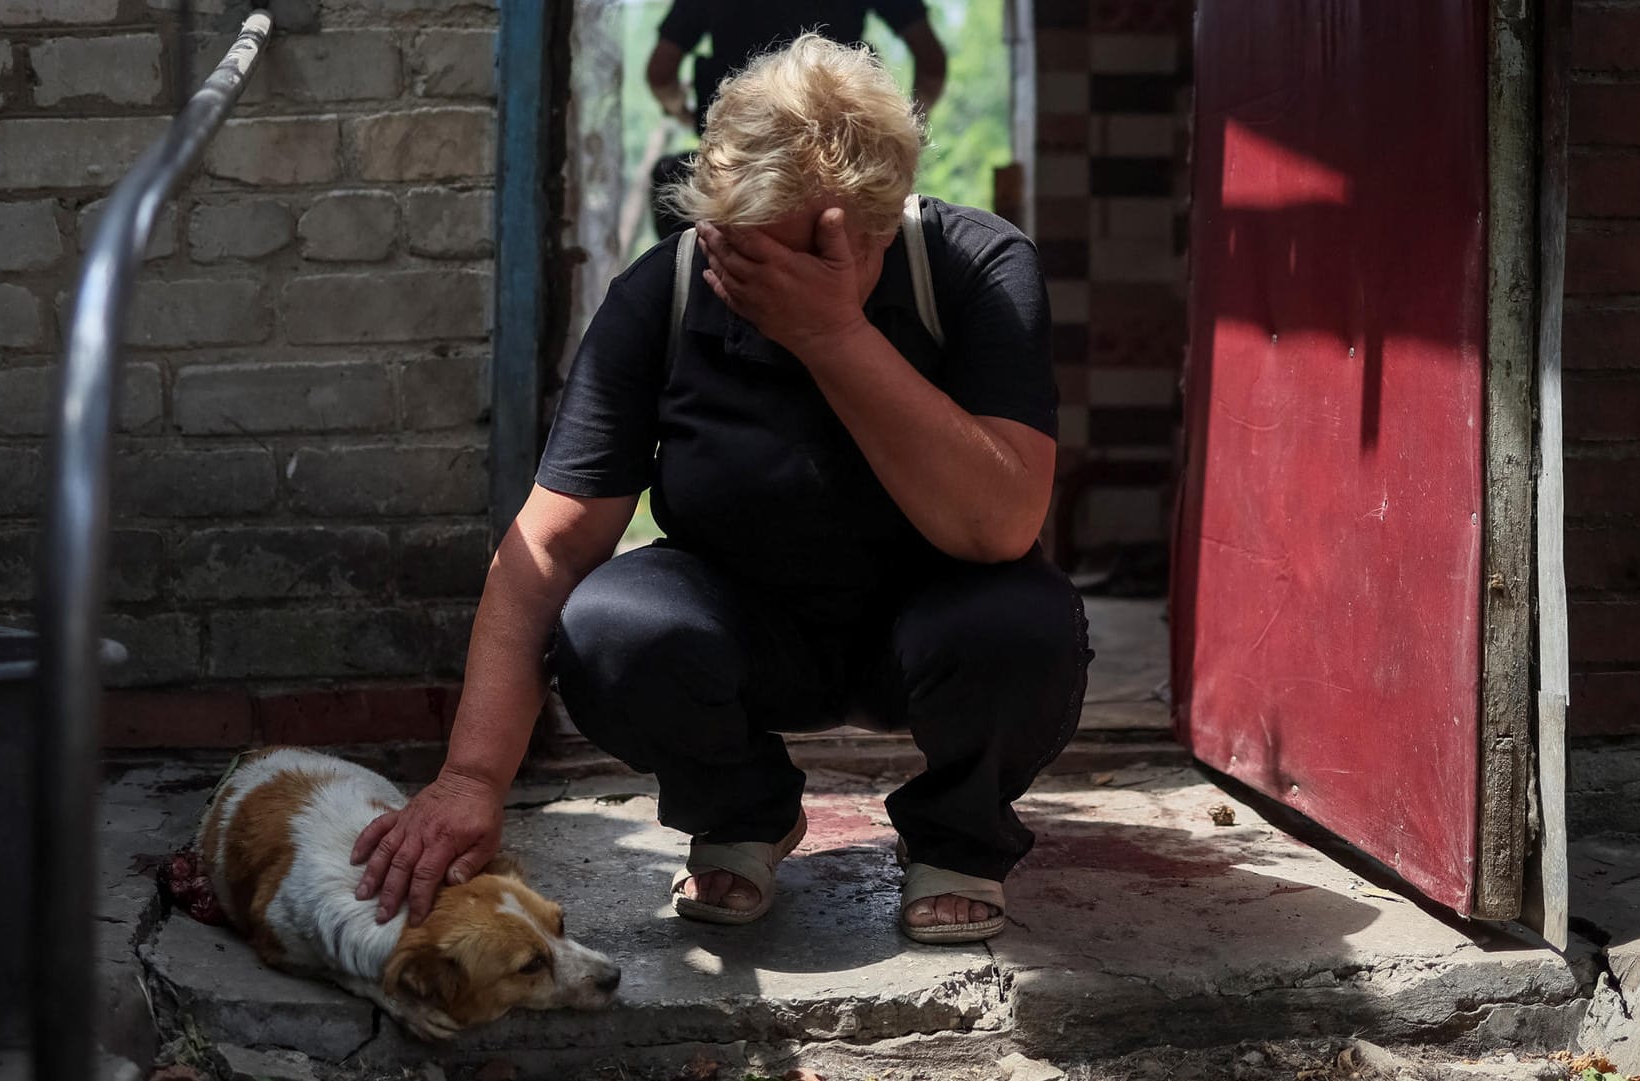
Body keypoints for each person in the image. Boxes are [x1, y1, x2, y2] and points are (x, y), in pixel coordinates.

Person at [353, 34, 1090, 945]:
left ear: (877, 226)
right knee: (610, 626)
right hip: (744, 631)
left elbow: (1000, 522)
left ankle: (957, 833)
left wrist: (832, 336)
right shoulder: (663, 292)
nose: (756, 283)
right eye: (740, 252)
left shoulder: (975, 270)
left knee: (1026, 623)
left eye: (798, 258)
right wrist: (470, 777)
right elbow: (545, 549)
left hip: (931, 624)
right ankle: (743, 809)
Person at [644, 0, 948, 238]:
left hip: (740, 171)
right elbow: (932, 66)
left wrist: (685, 113)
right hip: (847, 170)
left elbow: (660, 73)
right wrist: (902, 137)